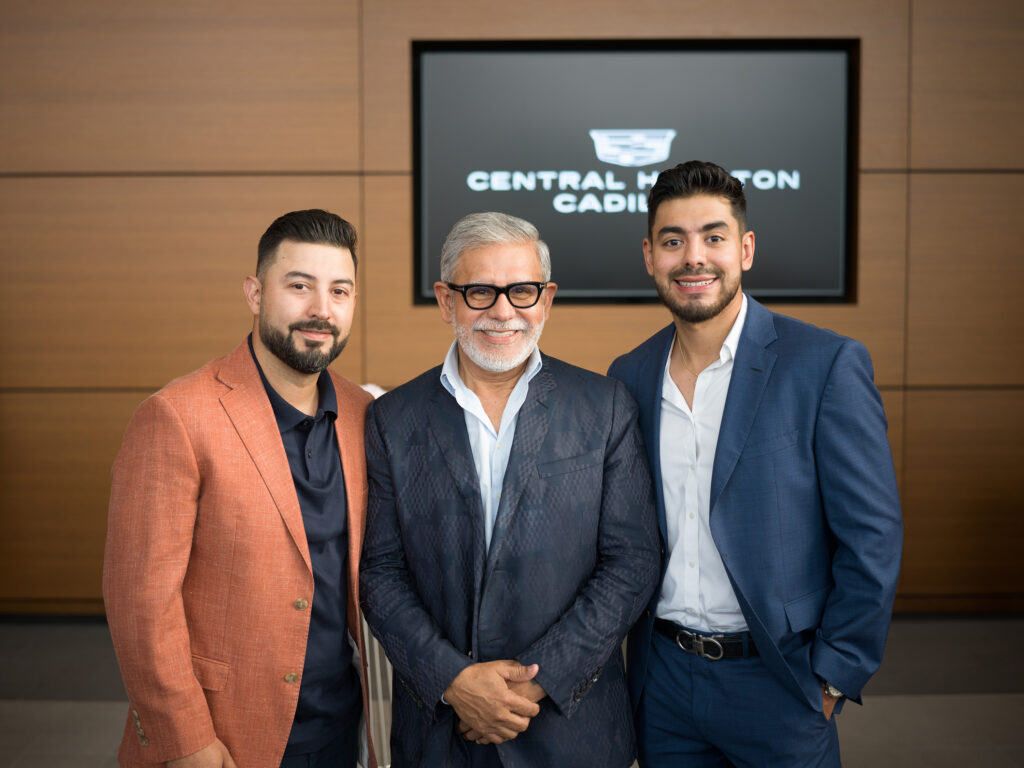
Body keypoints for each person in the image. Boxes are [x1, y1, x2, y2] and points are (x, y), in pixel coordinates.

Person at [607, 161, 903, 766]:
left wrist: (833, 677)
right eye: (673, 241)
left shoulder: (823, 365)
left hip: (781, 682)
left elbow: (872, 534)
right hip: (661, 682)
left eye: (713, 237)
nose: (694, 258)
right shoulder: (628, 377)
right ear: (649, 256)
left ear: (744, 249)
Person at [359, 212, 660, 768]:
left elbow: (631, 563)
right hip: (443, 736)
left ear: (545, 300)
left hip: (571, 732)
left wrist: (531, 688)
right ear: (447, 301)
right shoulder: (391, 421)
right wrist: (455, 681)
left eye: (520, 291)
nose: (503, 312)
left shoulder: (606, 407)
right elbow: (380, 572)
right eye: (480, 292)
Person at [104, 210, 377, 768]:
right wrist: (186, 741)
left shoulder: (362, 414)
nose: (321, 309)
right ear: (254, 293)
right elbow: (140, 604)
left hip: (342, 728)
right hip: (223, 737)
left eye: (339, 290)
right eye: (298, 285)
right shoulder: (177, 416)